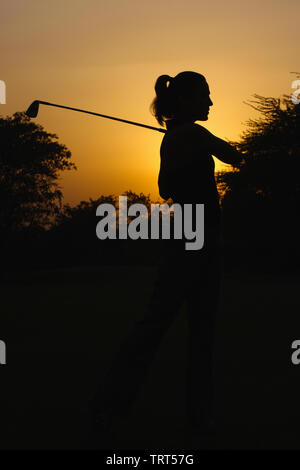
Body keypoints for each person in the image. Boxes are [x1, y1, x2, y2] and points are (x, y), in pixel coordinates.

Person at [89, 71, 243, 445]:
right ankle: (118, 408)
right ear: (188, 100)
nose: (211, 102)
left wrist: (181, 144)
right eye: (206, 95)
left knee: (164, 326)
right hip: (197, 240)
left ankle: (124, 410)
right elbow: (234, 157)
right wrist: (193, 141)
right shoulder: (191, 134)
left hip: (193, 236)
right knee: (183, 330)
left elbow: (164, 187)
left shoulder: (177, 137)